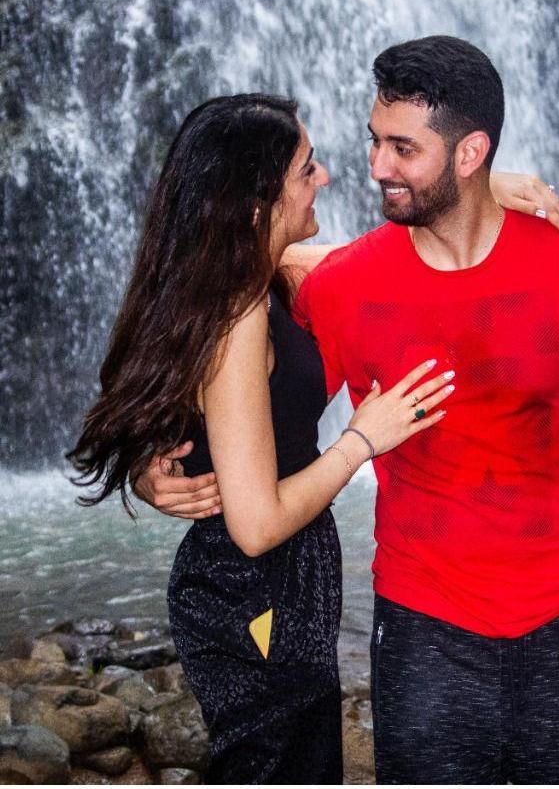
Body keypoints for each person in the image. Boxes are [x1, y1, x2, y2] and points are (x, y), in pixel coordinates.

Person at [140, 36, 559, 784]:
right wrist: (154, 466)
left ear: (469, 153)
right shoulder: (340, 285)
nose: (372, 167)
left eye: (402, 148)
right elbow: (240, 381)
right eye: (372, 141)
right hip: (422, 634)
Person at [67, 94, 460, 783]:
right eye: (307, 169)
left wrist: (478, 192)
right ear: (255, 207)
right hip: (253, 583)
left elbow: (387, 250)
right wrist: (363, 437)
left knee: (291, 757)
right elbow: (254, 525)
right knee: (279, 764)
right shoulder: (239, 312)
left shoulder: (247, 273)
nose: (327, 178)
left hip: (265, 584)